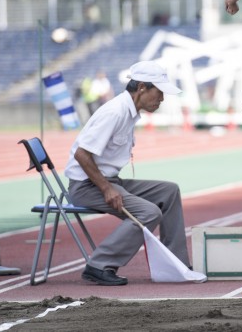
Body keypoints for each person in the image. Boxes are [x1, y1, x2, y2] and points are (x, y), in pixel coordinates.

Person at [65, 61, 190, 286]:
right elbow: (82, 155)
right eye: (159, 92)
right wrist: (107, 188)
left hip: (108, 180)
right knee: (149, 212)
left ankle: (175, 263)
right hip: (87, 186)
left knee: (169, 191)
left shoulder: (129, 111)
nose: (162, 99)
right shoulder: (115, 112)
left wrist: (110, 184)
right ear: (142, 88)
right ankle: (99, 265)